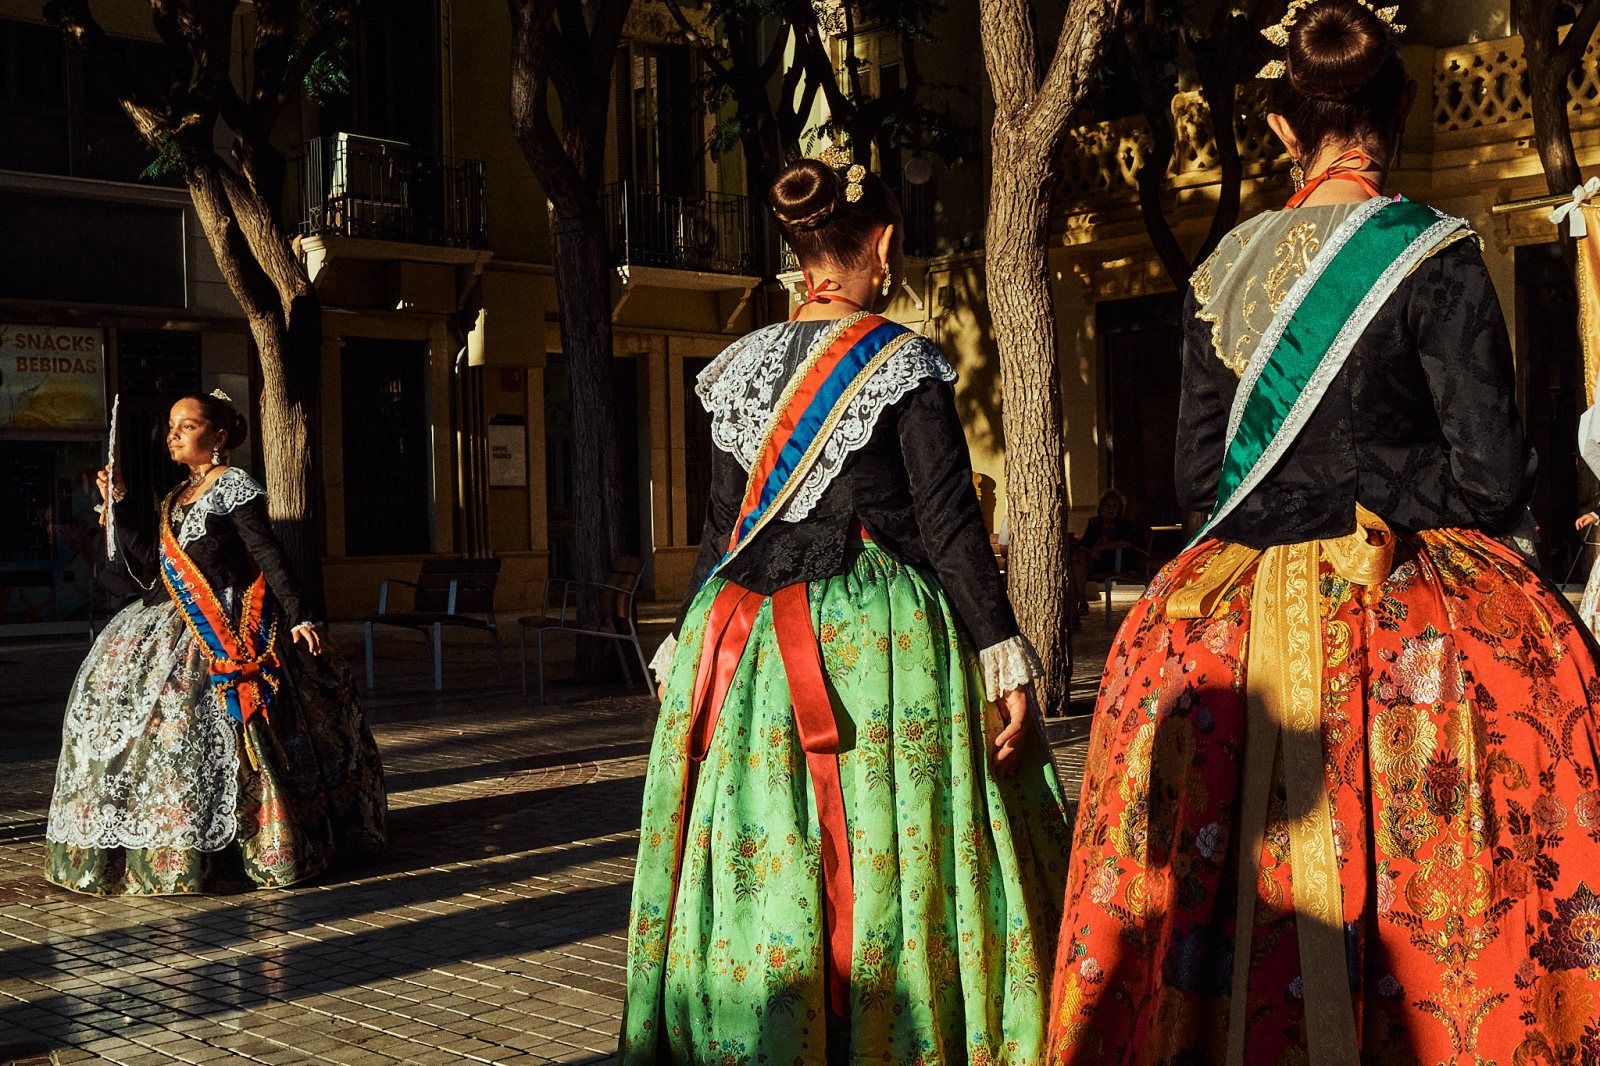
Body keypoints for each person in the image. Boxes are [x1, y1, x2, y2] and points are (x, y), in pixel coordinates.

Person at [1046, 3, 1600, 1063]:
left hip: (1233, 614)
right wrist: (1383, 486)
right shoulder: (1436, 254)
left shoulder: (1220, 273)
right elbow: (1489, 472)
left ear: (1278, 127)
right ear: (1396, 109)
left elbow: (1198, 483)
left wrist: (1302, 490)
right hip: (1414, 604)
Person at [620, 150, 1070, 1061]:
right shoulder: (905, 363)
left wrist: (682, 651)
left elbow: (720, 537)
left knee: (767, 839)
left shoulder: (734, 369)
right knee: (880, 840)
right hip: (877, 648)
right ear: (885, 244)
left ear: (798, 254)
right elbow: (949, 533)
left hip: (743, 642)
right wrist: (1003, 658)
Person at [45, 390, 386, 895]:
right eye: (170, 425)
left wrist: (299, 615)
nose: (173, 434)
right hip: (169, 620)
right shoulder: (175, 498)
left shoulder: (233, 487)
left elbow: (268, 553)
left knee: (224, 732)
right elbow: (150, 568)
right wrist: (120, 502)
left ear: (219, 436)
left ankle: (250, 843)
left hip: (227, 625)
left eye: (187, 425)